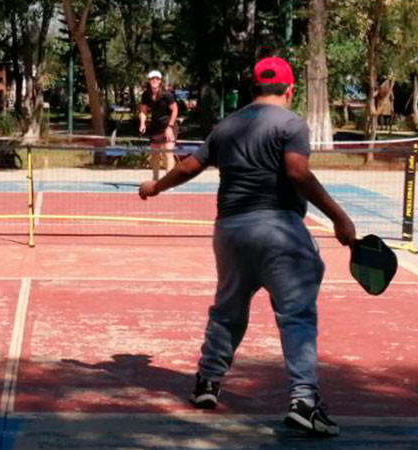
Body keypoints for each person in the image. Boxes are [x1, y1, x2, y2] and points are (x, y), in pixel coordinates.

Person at [139, 57, 356, 437]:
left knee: (227, 309)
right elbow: (297, 172)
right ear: (290, 89)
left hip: (230, 231)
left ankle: (207, 382)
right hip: (279, 230)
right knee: (296, 316)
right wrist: (339, 216)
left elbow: (190, 166)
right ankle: (304, 401)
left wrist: (155, 186)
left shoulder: (227, 125)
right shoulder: (291, 123)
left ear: (253, 89)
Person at [139, 70, 178, 181]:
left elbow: (175, 110)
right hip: (155, 126)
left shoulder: (167, 94)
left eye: (157, 78)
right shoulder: (146, 95)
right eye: (152, 78)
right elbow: (143, 110)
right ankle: (155, 179)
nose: (155, 80)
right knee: (155, 154)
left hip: (169, 124)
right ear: (149, 80)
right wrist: (142, 123)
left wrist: (170, 127)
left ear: (160, 81)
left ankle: (168, 181)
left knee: (168, 153)